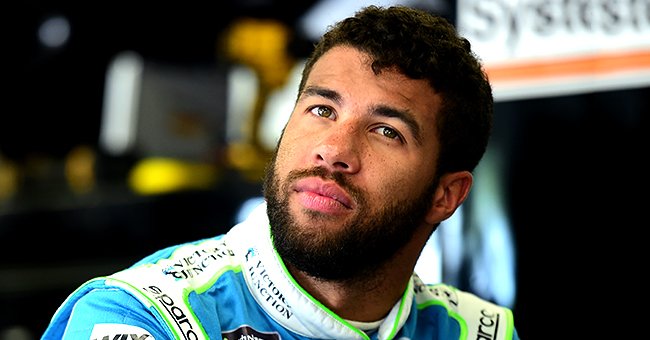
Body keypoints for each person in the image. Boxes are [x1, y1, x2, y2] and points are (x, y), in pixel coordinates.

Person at [42, 5, 519, 340]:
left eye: (386, 131)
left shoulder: (478, 330)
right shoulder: (142, 314)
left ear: (446, 195)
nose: (333, 151)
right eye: (321, 110)